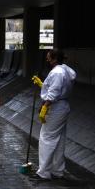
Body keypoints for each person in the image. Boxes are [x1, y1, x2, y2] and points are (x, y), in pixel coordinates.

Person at [31, 49, 76, 180]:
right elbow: (57, 88)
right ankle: (57, 170)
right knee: (59, 138)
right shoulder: (66, 70)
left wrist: (45, 106)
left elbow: (54, 92)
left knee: (47, 137)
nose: (47, 60)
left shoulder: (57, 72)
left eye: (49, 58)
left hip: (55, 107)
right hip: (63, 105)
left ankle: (43, 172)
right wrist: (43, 85)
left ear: (55, 59)